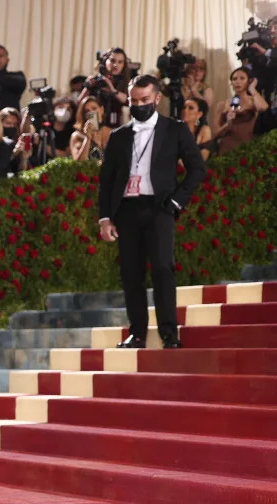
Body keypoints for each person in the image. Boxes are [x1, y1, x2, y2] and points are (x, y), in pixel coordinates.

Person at [98, 74, 207, 350]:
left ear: (157, 99)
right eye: (134, 101)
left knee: (162, 269)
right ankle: (137, 333)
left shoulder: (175, 129)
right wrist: (105, 217)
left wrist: (176, 202)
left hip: (160, 207)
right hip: (127, 210)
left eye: (145, 100)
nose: (139, 105)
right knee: (131, 273)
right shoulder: (119, 135)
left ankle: (169, 333)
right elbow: (107, 180)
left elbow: (198, 169)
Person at [213, 67, 268, 154]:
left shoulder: (253, 102)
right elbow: (215, 133)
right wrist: (227, 124)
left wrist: (252, 89)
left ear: (249, 81)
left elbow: (263, 107)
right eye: (234, 79)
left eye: (242, 78)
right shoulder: (223, 104)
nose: (238, 81)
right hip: (226, 147)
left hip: (246, 147)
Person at [78, 47, 131, 128]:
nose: (115, 65)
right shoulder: (96, 79)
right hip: (93, 123)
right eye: (112, 60)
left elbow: (127, 101)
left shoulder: (124, 82)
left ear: (124, 65)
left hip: (114, 125)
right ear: (105, 61)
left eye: (120, 62)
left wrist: (113, 90)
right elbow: (80, 103)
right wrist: (88, 87)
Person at [70, 95, 112, 162]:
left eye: (94, 108)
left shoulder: (111, 132)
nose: (91, 112)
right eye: (87, 111)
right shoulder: (77, 136)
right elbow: (79, 163)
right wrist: (87, 138)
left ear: (101, 110)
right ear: (83, 115)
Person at [182, 59, 214, 126]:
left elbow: (207, 106)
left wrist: (194, 90)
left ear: (204, 72)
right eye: (194, 68)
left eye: (201, 69)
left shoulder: (207, 89)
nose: (197, 71)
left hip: (199, 125)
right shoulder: (182, 87)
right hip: (182, 123)